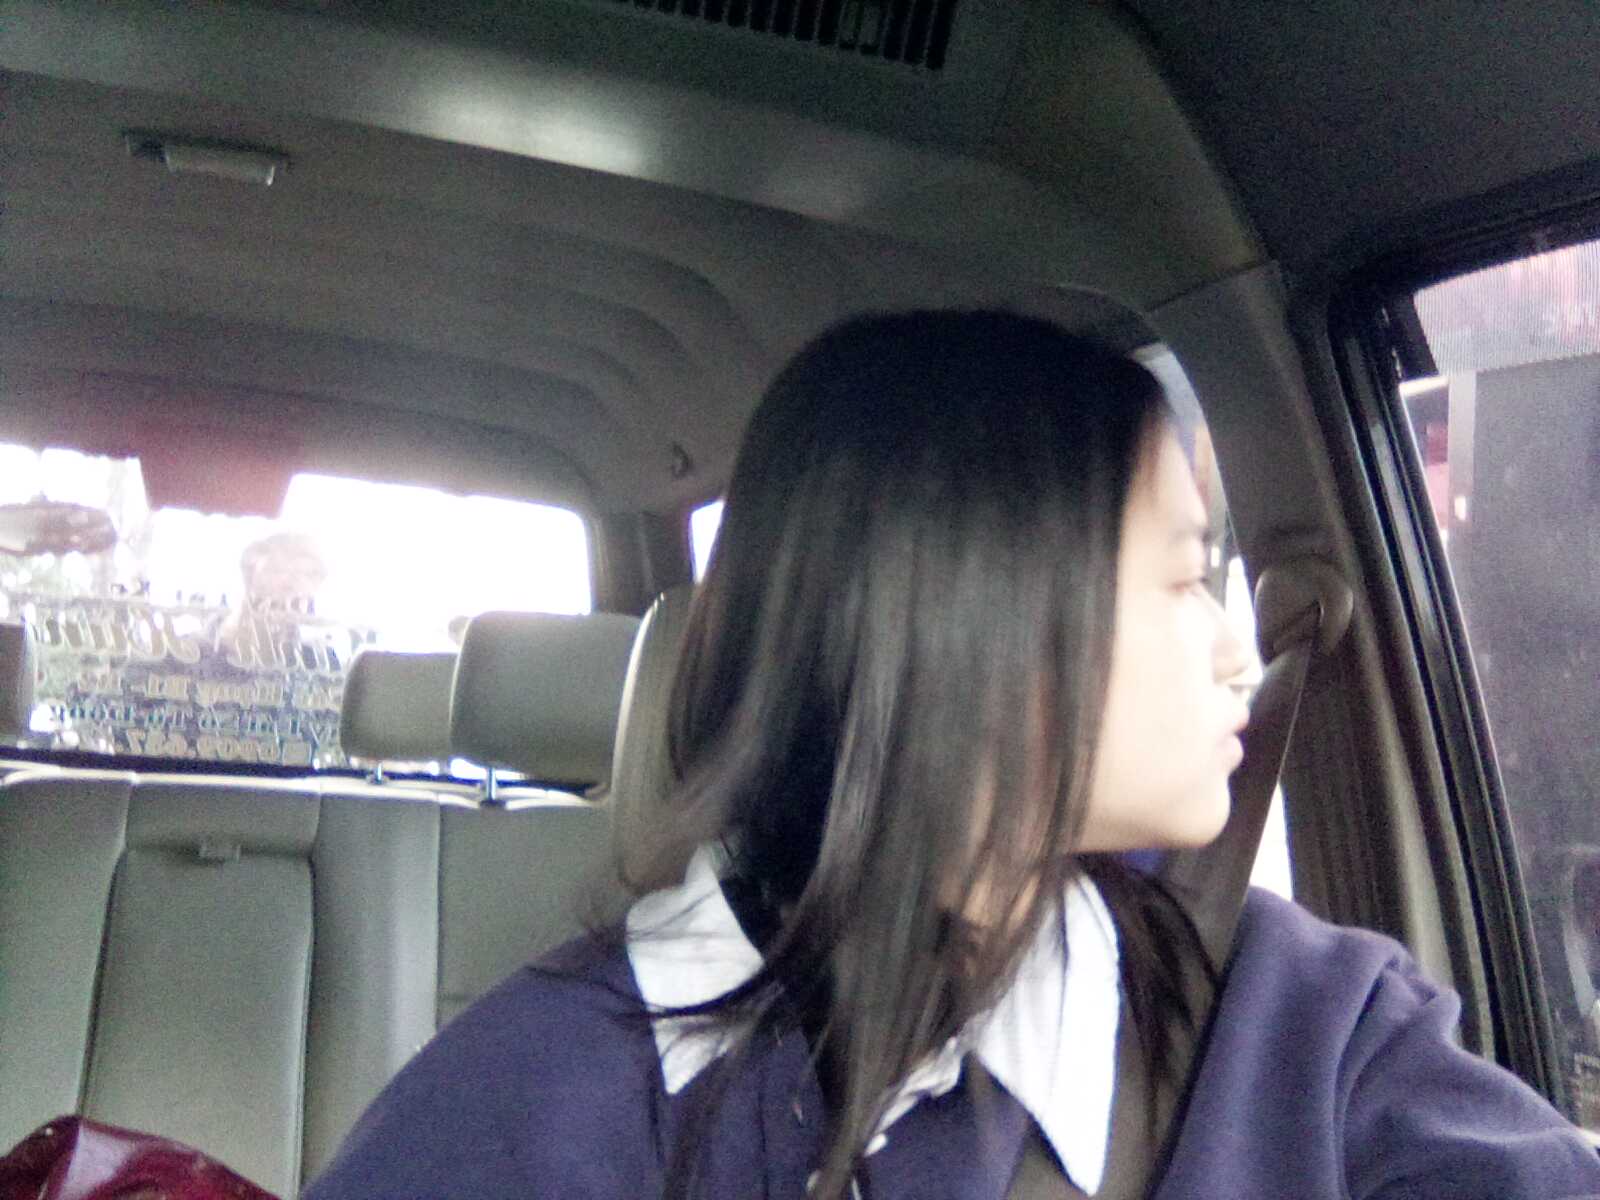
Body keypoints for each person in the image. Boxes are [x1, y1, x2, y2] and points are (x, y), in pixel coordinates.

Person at [304, 312, 1600, 1198]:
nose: (1235, 654)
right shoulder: (539, 1109)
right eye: (1184, 580)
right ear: (980, 627)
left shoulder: (1309, 1023)